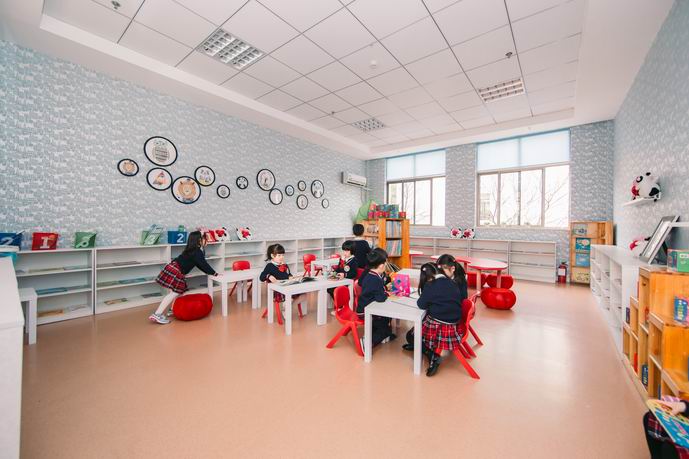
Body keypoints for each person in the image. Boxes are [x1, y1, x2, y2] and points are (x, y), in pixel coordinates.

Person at [149, 231, 218, 324]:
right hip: (176, 270)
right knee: (174, 293)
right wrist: (214, 273)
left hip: (173, 267)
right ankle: (157, 314)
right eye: (205, 238)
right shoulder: (197, 252)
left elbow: (200, 264)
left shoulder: (191, 250)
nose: (207, 240)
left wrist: (211, 272)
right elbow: (203, 265)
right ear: (199, 240)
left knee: (177, 292)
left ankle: (172, 310)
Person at [415, 261, 466, 377]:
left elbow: (421, 305)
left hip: (440, 325)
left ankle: (432, 355)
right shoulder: (452, 282)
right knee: (417, 331)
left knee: (412, 335)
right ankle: (424, 349)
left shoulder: (430, 285)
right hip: (455, 325)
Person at [357, 248, 395, 347]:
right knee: (384, 328)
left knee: (385, 320)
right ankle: (368, 342)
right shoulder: (375, 279)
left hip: (364, 306)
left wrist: (385, 289)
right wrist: (387, 294)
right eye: (386, 263)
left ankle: (383, 333)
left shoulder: (371, 274)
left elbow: (375, 290)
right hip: (366, 310)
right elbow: (380, 298)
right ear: (381, 265)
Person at [402, 262, 439, 352]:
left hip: (437, 322)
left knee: (410, 336)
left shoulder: (429, 285)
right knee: (412, 333)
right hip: (447, 319)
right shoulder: (444, 282)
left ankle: (428, 352)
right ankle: (418, 345)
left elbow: (421, 305)